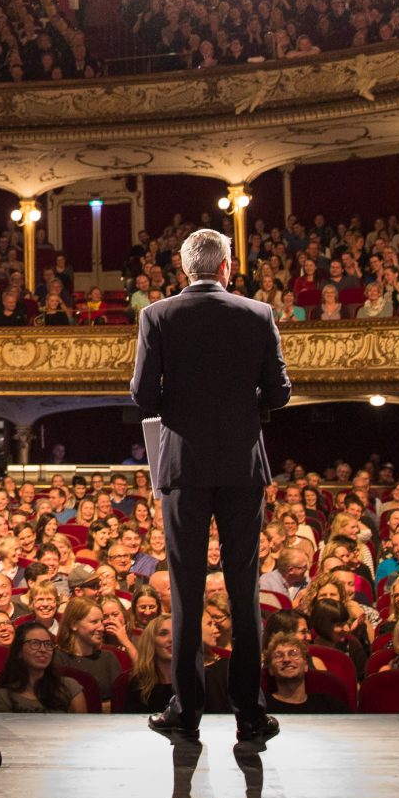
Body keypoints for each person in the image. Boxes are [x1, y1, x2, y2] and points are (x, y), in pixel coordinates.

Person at [131, 227, 291, 755]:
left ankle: (187, 713)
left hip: (183, 465)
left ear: (184, 270)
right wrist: (245, 407)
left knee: (186, 590)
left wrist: (179, 405)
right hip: (243, 465)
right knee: (244, 592)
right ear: (227, 267)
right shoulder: (258, 313)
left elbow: (141, 393)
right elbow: (280, 392)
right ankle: (249, 714)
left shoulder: (157, 315)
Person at [0, 620, 86, 713]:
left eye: (48, 644)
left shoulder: (69, 687)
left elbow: (82, 726)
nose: (43, 649)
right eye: (35, 643)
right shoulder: (4, 697)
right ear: (19, 652)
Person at [263, 632, 347, 714]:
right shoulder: (261, 707)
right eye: (278, 656)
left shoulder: (329, 705)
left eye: (293, 654)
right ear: (271, 670)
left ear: (306, 666)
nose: (286, 659)